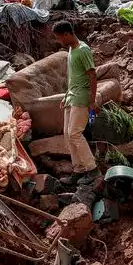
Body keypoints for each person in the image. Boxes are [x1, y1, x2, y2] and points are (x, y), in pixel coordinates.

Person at [52, 21, 99, 188]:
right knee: (67, 134)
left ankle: (92, 170)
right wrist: (66, 96)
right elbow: (74, 77)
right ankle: (78, 169)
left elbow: (92, 76)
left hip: (82, 98)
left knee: (75, 134)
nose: (58, 41)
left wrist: (92, 101)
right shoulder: (71, 49)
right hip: (72, 97)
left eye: (59, 38)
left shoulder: (83, 50)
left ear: (67, 34)